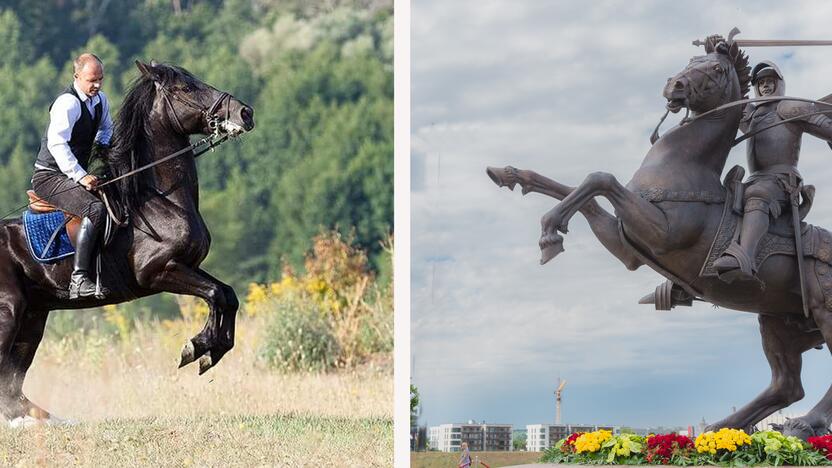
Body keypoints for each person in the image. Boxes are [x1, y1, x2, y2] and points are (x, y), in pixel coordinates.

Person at [712, 60, 832, 282]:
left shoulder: (790, 108)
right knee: (715, 201)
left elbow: (826, 128)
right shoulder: (751, 115)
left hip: (781, 181)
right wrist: (720, 55)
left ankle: (744, 257)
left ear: (780, 84)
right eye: (761, 82)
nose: (765, 86)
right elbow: (725, 93)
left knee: (759, 195)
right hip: (754, 179)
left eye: (770, 81)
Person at [31, 53, 113, 299]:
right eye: (91, 80)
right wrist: (81, 175)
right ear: (77, 77)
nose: (97, 85)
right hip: (49, 177)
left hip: (74, 175)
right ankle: (78, 279)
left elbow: (107, 129)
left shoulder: (100, 101)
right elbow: (57, 145)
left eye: (100, 79)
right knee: (95, 210)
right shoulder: (68, 103)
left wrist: (100, 157)